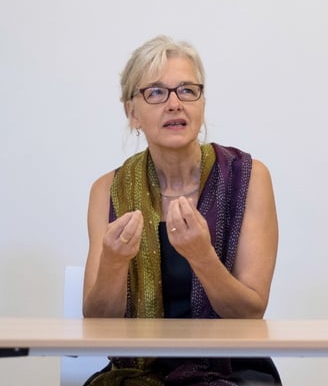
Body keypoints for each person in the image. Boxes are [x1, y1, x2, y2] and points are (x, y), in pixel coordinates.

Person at [82, 35, 282, 385]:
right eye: (156, 92)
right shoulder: (107, 190)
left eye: (187, 90)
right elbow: (97, 323)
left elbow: (251, 312)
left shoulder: (249, 177)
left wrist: (201, 256)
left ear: (202, 104)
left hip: (231, 370)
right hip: (138, 373)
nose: (175, 104)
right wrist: (113, 263)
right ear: (132, 113)